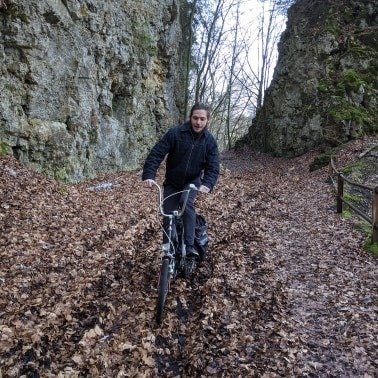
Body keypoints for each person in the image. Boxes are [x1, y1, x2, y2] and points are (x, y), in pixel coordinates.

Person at [142, 102, 220, 259]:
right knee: (168, 213)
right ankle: (167, 249)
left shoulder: (209, 141)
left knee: (186, 202)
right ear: (190, 117)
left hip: (192, 181)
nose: (198, 122)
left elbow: (213, 167)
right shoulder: (175, 133)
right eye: (195, 118)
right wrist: (149, 175)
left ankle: (190, 246)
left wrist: (207, 184)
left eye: (202, 119)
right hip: (172, 181)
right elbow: (156, 154)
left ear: (207, 120)